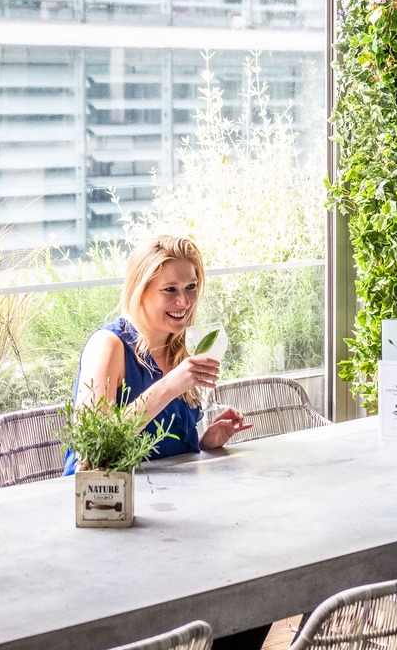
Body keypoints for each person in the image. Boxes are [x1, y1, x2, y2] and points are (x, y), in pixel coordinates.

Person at [67, 235, 263, 650]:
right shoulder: (109, 345)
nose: (184, 301)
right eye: (169, 290)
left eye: (191, 287)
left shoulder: (178, 348)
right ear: (141, 290)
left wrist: (206, 440)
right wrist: (172, 385)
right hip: (107, 516)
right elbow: (94, 440)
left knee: (249, 596)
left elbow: (167, 444)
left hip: (172, 519)